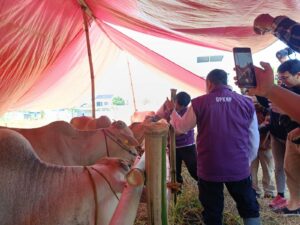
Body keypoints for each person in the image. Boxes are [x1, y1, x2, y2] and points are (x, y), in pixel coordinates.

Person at [165, 69, 261, 225]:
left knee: (212, 210)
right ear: (226, 81)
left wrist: (172, 111)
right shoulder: (247, 102)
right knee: (248, 206)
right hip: (238, 166)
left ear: (209, 83)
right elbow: (253, 138)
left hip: (210, 167)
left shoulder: (199, 103)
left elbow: (181, 128)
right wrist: (246, 160)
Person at [249, 14, 300, 123]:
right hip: (278, 134)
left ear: (298, 75)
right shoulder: (286, 86)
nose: (282, 81)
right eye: (279, 77)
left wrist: (274, 24)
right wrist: (267, 90)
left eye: (285, 77)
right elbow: (268, 102)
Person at [156, 92, 198, 186]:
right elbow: (159, 117)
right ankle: (177, 190)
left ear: (186, 106)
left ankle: (204, 184)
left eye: (182, 107)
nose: (179, 108)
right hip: (173, 146)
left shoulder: (188, 113)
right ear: (174, 101)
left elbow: (180, 131)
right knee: (174, 171)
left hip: (187, 146)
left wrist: (166, 134)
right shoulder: (169, 108)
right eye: (178, 105)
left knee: (194, 169)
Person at [251, 103, 275, 199]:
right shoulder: (248, 108)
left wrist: (266, 142)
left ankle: (269, 192)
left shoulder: (267, 110)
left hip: (265, 145)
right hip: (252, 145)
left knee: (268, 169)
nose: (252, 98)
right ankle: (254, 190)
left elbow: (269, 126)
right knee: (251, 169)